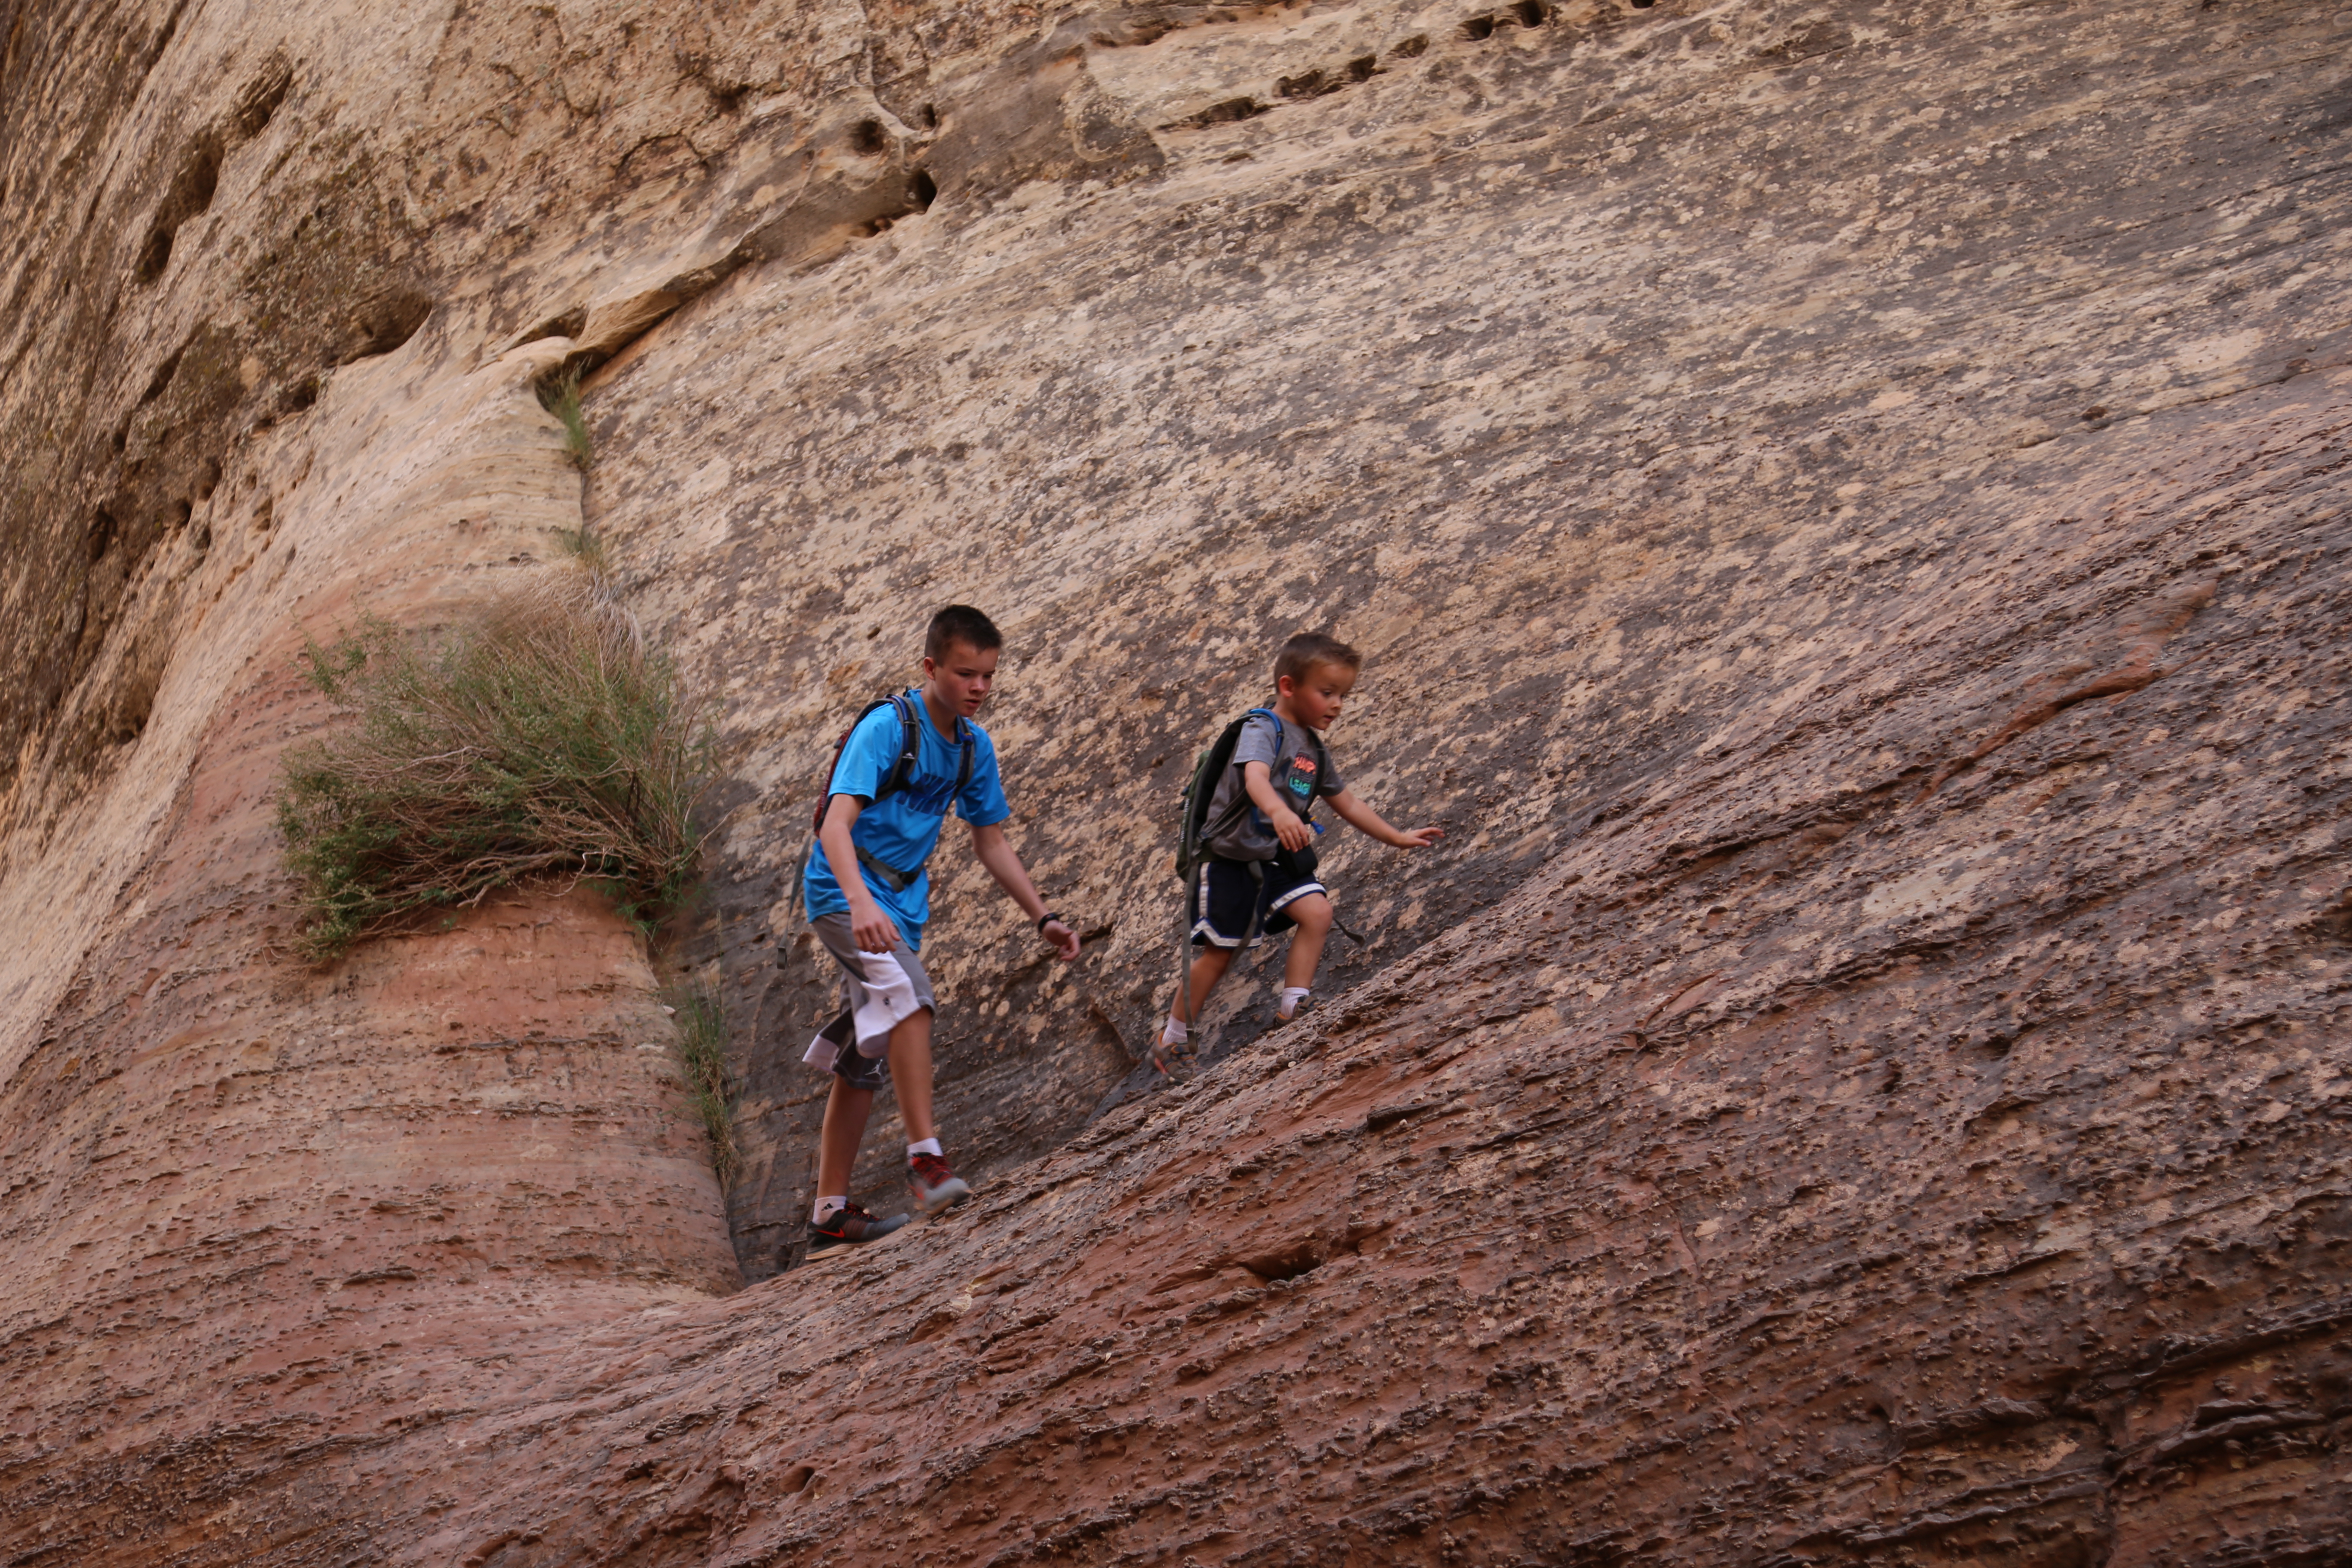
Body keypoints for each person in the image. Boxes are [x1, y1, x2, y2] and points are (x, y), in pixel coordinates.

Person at [799, 605, 1079, 1258]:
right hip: (845, 893)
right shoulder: (888, 728)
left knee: (864, 1057)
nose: (979, 687)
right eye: (965, 674)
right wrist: (860, 903)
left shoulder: (973, 748)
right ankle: (927, 1164)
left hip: (900, 905)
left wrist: (1043, 917)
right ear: (931, 667)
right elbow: (834, 827)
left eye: (987, 676)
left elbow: (992, 843)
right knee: (912, 998)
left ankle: (829, 1217)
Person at [1156, 631, 1442, 1072]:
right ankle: (1174, 1035)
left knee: (1317, 913)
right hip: (1229, 860)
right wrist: (1279, 811)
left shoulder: (1314, 748)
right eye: (1327, 692)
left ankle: (1294, 1007)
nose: (1338, 705)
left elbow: (1347, 803)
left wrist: (1397, 836)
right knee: (1220, 953)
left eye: (1343, 694)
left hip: (1272, 858)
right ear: (1289, 686)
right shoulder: (1262, 727)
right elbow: (1254, 777)